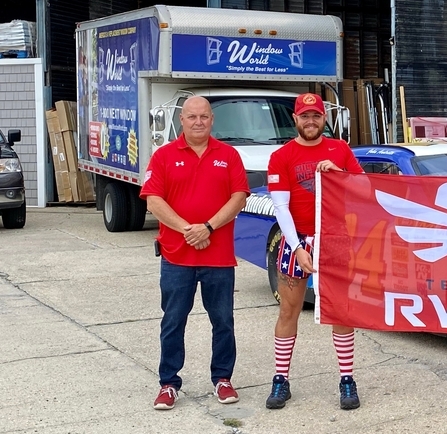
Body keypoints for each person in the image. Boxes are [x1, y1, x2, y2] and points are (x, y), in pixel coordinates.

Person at [141, 96, 249, 410]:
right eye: (192, 117)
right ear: (182, 120)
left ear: (212, 120)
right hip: (177, 256)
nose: (198, 122)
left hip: (218, 258)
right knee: (173, 321)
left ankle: (223, 379)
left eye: (203, 116)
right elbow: (153, 201)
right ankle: (168, 383)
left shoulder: (228, 155)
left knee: (223, 321)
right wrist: (188, 229)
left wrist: (208, 228)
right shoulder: (163, 156)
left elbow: (239, 197)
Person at [264, 92, 365, 411]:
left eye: (316, 116)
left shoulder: (340, 149)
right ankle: (281, 379)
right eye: (305, 116)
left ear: (324, 119)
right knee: (288, 311)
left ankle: (346, 379)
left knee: (340, 311)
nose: (311, 121)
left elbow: (364, 190)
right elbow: (281, 207)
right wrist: (297, 247)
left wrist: (339, 173)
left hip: (335, 239)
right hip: (297, 240)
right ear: (295, 120)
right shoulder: (282, 156)